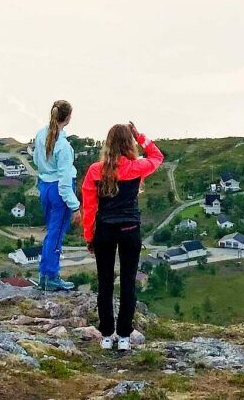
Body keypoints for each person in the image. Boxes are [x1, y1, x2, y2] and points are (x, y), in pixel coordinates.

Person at [81, 121, 163, 351]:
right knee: (128, 282)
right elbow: (157, 156)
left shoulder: (95, 171)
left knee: (105, 282)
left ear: (107, 144)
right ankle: (124, 336)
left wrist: (89, 236)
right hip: (129, 230)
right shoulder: (137, 167)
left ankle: (107, 335)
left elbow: (89, 208)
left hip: (105, 230)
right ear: (129, 144)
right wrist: (141, 137)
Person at [32, 99, 82, 291]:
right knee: (57, 234)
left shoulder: (40, 134)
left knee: (51, 233)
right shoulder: (63, 146)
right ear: (68, 117)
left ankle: (44, 275)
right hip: (59, 192)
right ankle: (51, 276)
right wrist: (75, 206)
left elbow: (37, 160)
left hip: (45, 186)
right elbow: (64, 181)